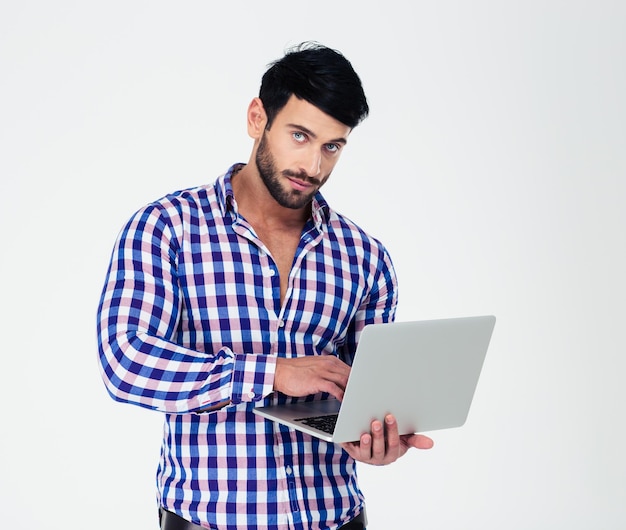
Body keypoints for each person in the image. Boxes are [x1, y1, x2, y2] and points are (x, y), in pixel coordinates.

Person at [96, 41, 433, 530]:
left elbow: (365, 397)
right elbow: (124, 362)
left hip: (336, 519)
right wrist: (271, 373)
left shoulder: (366, 257)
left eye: (331, 146)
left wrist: (376, 439)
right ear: (258, 118)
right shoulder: (166, 228)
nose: (313, 166)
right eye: (300, 135)